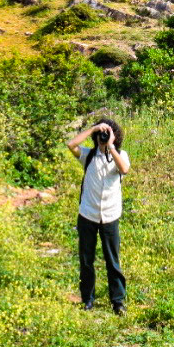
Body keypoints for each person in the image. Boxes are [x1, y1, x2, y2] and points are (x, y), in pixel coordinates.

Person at [66, 117, 130, 313]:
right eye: (101, 134)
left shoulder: (120, 155)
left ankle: (118, 301)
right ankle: (88, 299)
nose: (103, 136)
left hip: (110, 215)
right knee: (86, 260)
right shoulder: (88, 155)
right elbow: (71, 145)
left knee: (112, 260)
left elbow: (124, 169)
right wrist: (93, 129)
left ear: (115, 136)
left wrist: (110, 146)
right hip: (88, 214)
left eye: (107, 133)